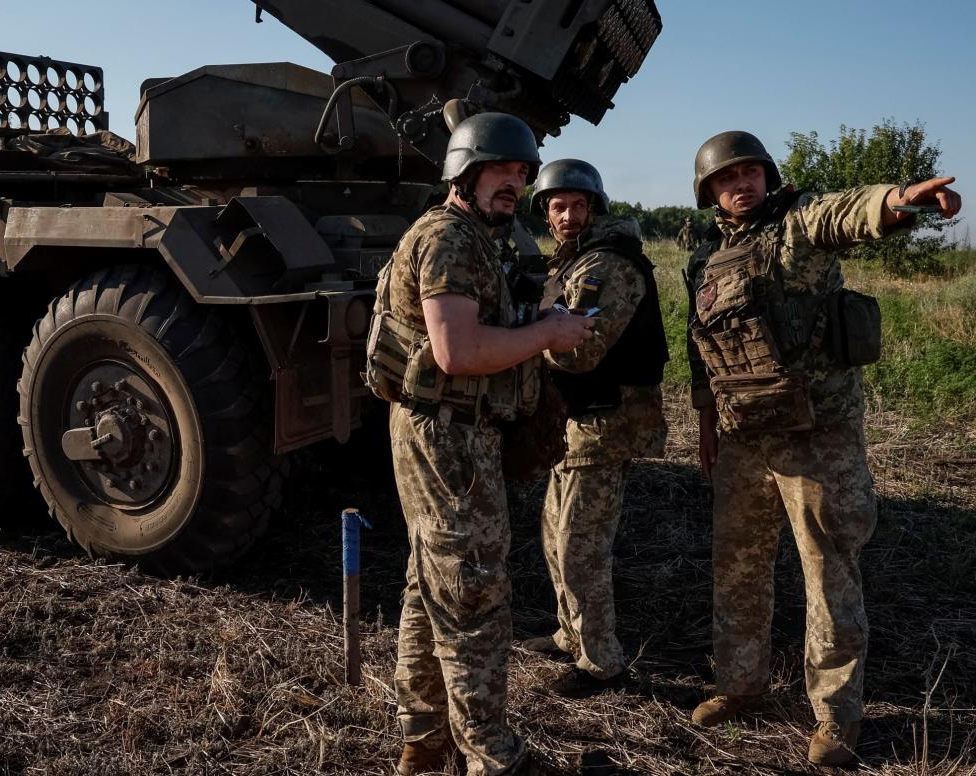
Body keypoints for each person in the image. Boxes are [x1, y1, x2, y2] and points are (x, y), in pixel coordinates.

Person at [683, 130, 962, 766]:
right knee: (739, 566)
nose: (742, 183)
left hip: (817, 434)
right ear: (710, 194)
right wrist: (706, 423)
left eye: (751, 172)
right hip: (742, 435)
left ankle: (836, 717)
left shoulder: (797, 227)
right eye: (728, 178)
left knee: (827, 570)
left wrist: (898, 200)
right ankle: (740, 685)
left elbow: (846, 212)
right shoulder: (703, 260)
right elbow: (702, 351)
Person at [365, 113, 595, 776]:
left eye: (522, 172)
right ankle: (491, 754)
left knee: (430, 584)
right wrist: (549, 332)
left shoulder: (475, 237)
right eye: (502, 169)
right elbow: (458, 350)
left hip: (451, 430)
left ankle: (423, 738)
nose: (515, 182)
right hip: (448, 437)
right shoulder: (449, 239)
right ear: (464, 171)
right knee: (472, 590)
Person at [518, 159, 668, 697]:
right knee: (555, 533)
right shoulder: (575, 261)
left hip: (605, 420)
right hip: (577, 420)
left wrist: (522, 339)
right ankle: (570, 635)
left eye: (578, 205)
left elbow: (580, 352)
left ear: (594, 209)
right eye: (557, 206)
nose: (567, 215)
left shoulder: (606, 265)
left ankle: (602, 662)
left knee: (580, 543)